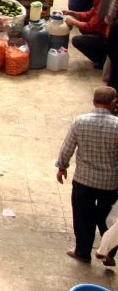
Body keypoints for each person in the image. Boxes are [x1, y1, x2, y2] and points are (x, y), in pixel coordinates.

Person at [57, 86, 118, 263]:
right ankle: (108, 253)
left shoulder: (80, 122)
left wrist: (62, 167)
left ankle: (82, 252)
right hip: (110, 184)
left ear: (93, 102)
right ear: (113, 103)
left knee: (82, 216)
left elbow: (67, 147)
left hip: (83, 181)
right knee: (109, 219)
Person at [67, 0, 110, 67]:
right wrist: (71, 13)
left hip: (106, 40)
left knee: (77, 40)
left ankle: (102, 60)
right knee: (81, 27)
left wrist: (74, 22)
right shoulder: (98, 2)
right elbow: (87, 15)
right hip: (101, 35)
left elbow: (90, 26)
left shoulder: (102, 7)